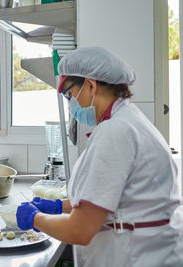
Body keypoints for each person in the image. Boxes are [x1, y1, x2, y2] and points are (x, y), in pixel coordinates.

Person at [16, 47, 183, 266]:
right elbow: (111, 199)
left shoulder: (116, 131)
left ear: (91, 85)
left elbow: (81, 229)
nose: (71, 106)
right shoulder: (127, 121)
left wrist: (35, 219)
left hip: (136, 257)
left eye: (69, 96)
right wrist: (58, 206)